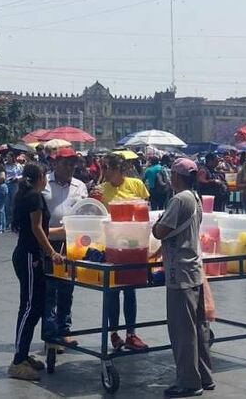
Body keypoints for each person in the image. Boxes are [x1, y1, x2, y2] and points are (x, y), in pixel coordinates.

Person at [153, 158, 213, 397]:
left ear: (176, 177)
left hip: (180, 270)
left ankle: (189, 382)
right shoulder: (195, 197)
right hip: (194, 268)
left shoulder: (179, 199)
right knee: (198, 327)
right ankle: (205, 376)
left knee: (182, 330)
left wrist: (155, 227)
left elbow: (161, 230)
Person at [8, 162, 63, 381]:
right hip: (30, 256)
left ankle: (23, 354)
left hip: (30, 255)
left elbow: (42, 228)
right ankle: (17, 361)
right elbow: (36, 228)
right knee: (30, 307)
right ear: (40, 177)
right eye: (45, 175)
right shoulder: (34, 197)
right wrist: (52, 253)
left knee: (35, 306)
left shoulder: (27, 195)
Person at [93, 152, 150, 351]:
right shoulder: (101, 189)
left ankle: (131, 333)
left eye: (106, 168)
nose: (103, 172)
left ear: (118, 169)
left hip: (133, 244)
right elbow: (96, 215)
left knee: (130, 289)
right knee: (112, 291)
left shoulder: (136, 184)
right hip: (110, 245)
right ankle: (114, 333)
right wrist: (94, 200)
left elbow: (145, 211)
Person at [42, 147, 87, 346]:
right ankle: (51, 334)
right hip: (48, 241)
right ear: (55, 163)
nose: (70, 167)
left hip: (71, 244)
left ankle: (64, 329)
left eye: (72, 163)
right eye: (66, 163)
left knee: (67, 288)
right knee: (48, 289)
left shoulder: (80, 186)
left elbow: (85, 211)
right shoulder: (44, 183)